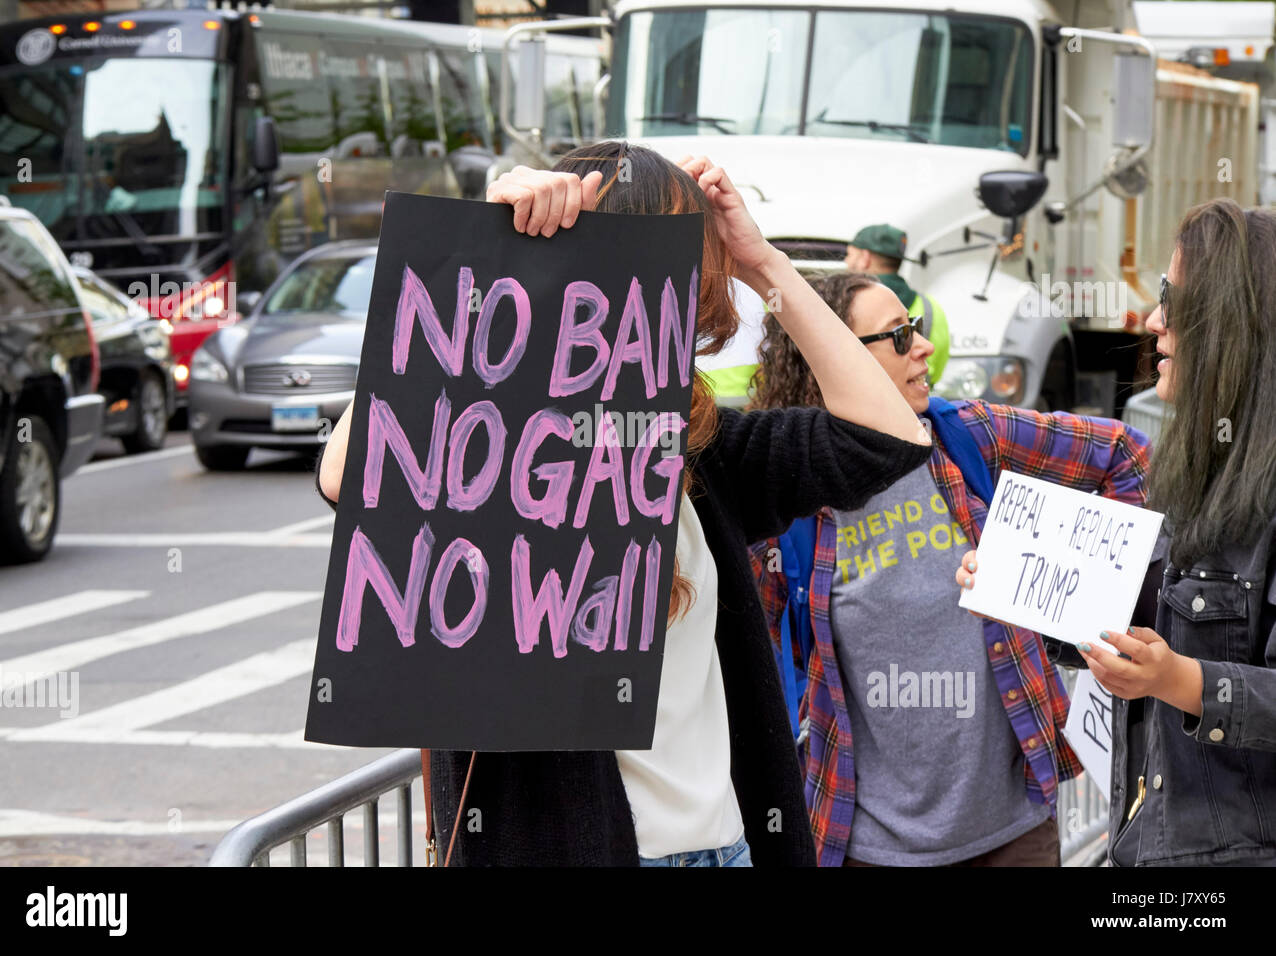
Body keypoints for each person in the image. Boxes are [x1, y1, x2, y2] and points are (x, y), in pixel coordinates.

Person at [314, 141, 933, 867]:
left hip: (724, 850)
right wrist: (476, 249)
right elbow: (351, 474)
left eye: (694, 257)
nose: (684, 279)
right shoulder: (497, 444)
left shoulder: (703, 448)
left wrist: (763, 261)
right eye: (662, 249)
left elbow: (885, 437)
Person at [750, 271, 1151, 866]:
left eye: (914, 326)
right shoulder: (790, 497)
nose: (924, 344)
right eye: (898, 335)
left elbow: (1127, 455)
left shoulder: (970, 436)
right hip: (865, 846)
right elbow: (744, 655)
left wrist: (1064, 591)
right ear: (830, 358)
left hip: (1015, 835)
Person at [960, 198, 1276, 866]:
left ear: (1235, 326)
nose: (1153, 321)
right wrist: (1021, 591)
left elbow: (1181, 671)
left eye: (1173, 300)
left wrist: (1178, 679)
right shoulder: (1196, 470)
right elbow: (1135, 630)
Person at [845, 223, 950, 386]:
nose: (846, 261)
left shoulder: (849, 304)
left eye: (849, 254)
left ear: (865, 258)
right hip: (920, 402)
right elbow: (939, 366)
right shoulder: (930, 306)